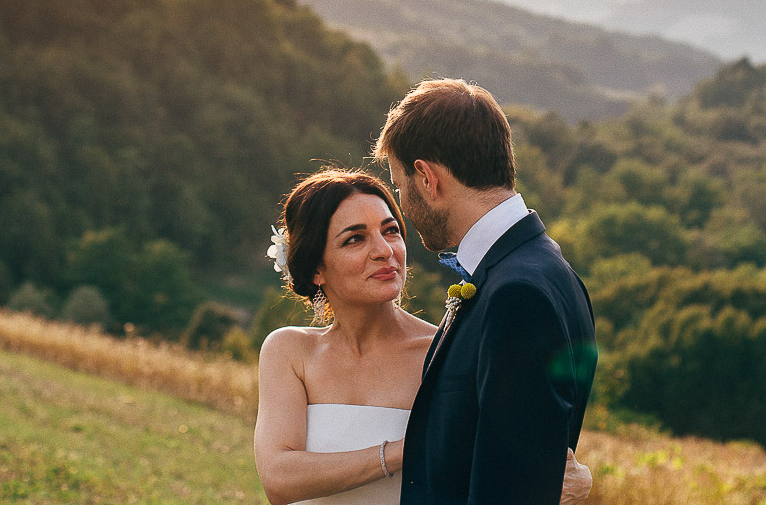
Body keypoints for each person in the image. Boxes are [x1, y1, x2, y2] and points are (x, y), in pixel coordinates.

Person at [254, 167, 591, 505]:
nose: (384, 250)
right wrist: (412, 448)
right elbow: (279, 479)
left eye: (391, 231)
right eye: (355, 238)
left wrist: (574, 482)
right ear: (315, 269)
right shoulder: (289, 351)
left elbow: (516, 465)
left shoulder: (446, 353)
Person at [376, 79, 597, 505]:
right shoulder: (540, 270)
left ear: (427, 178)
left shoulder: (517, 295)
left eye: (400, 185)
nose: (402, 203)